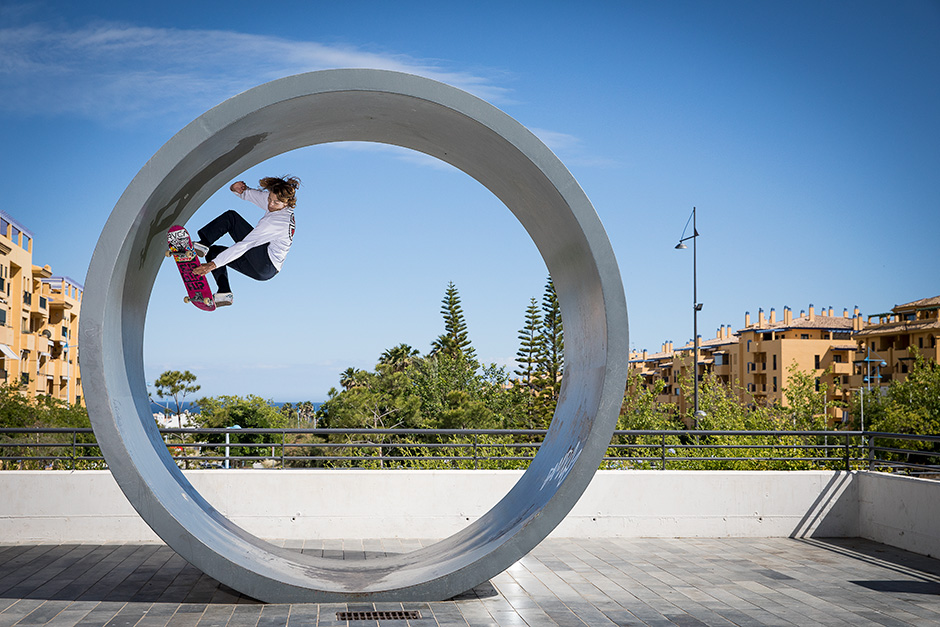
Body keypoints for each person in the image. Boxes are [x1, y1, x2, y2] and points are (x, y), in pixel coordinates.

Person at [192, 176, 300, 306]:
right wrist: (238, 189)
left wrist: (212, 265)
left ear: (286, 203)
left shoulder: (276, 222)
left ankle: (203, 243)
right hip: (264, 272)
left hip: (265, 263)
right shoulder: (278, 203)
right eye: (270, 199)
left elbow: (245, 245)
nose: (270, 205)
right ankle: (224, 293)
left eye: (275, 203)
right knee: (214, 253)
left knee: (231, 218)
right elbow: (253, 195)